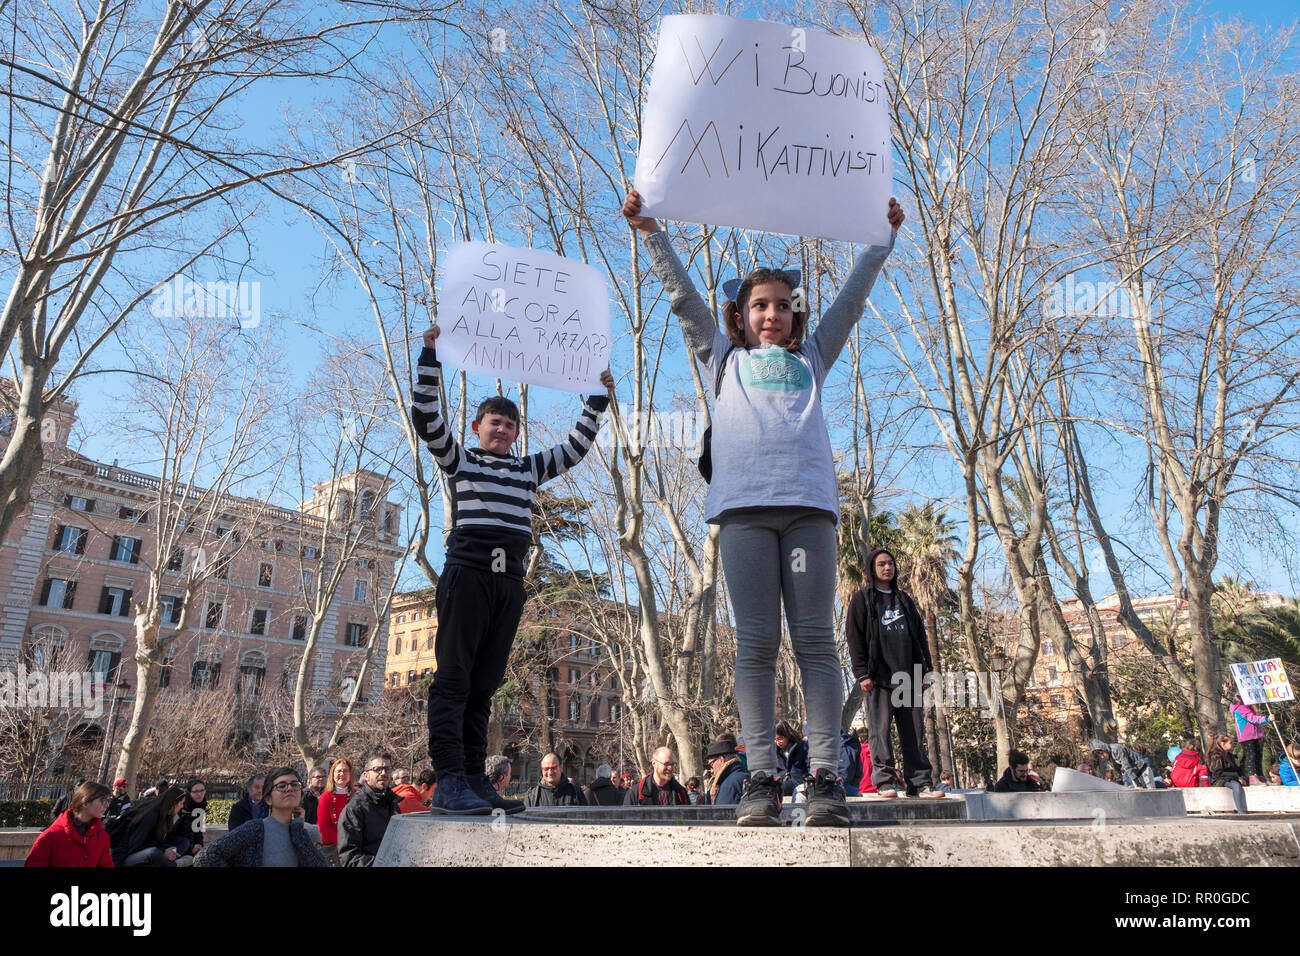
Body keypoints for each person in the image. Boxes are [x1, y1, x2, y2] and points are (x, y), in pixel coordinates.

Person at [623, 189, 904, 828]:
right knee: (753, 643)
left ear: (794, 313)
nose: (770, 314)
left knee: (811, 640)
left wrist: (881, 241)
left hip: (808, 512)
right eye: (758, 306)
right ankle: (760, 780)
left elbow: (853, 301)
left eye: (781, 305)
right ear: (740, 317)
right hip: (744, 512)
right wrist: (650, 231)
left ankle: (828, 776)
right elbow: (681, 299)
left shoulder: (813, 354)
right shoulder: (723, 360)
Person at [413, 325, 612, 815]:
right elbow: (426, 418)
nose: (501, 429)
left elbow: (574, 449)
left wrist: (596, 401)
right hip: (468, 576)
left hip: (509, 584)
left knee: (484, 685)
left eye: (508, 424)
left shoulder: (527, 470)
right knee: (454, 680)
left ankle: (476, 778)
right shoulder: (459, 460)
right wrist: (430, 355)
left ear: (517, 433)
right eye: (492, 422)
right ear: (478, 428)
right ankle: (450, 778)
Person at [846, 548, 946, 800]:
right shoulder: (862, 599)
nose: (887, 568)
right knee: (879, 733)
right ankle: (885, 782)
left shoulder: (904, 600)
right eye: (881, 564)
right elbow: (854, 637)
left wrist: (926, 672)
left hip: (908, 678)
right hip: (878, 678)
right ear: (872, 568)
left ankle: (920, 783)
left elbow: (920, 637)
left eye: (890, 563)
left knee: (913, 732)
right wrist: (861, 673)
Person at [195, 767, 327, 868]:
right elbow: (204, 857)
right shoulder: (255, 829)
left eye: (295, 784)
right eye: (281, 786)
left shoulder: (306, 831)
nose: (289, 789)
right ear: (268, 799)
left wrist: (298, 829)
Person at [338, 750, 403, 867]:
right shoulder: (354, 809)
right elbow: (349, 858)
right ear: (366, 776)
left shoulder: (393, 803)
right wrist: (384, 864)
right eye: (377, 769)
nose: (383, 773)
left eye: (387, 769)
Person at [26, 781, 113, 867]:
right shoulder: (51, 835)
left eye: (108, 801)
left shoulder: (102, 837)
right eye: (102, 800)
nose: (107, 805)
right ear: (85, 802)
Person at [120, 785, 189, 866]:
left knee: (184, 842)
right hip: (129, 857)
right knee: (153, 852)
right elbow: (134, 847)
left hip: (153, 851)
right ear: (173, 803)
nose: (182, 806)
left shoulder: (166, 816)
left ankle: (169, 860)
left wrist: (167, 850)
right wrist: (163, 851)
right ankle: (173, 864)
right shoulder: (151, 816)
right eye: (181, 803)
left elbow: (157, 841)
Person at [317, 757, 357, 865]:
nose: (342, 774)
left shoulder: (357, 795)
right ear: (333, 774)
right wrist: (344, 843)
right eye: (338, 771)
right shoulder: (325, 797)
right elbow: (323, 827)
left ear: (350, 775)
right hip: (332, 850)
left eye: (345, 771)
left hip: (355, 847)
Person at [625, 747, 690, 806]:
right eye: (666, 764)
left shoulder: (681, 793)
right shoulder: (635, 793)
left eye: (672, 764)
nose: (670, 768)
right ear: (654, 763)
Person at [1230, 695, 1270, 784]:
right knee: (1251, 756)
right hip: (1247, 736)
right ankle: (1253, 777)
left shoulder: (1247, 708)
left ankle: (1260, 776)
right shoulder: (1241, 708)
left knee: (1258, 756)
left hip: (1254, 736)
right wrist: (1267, 718)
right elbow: (1252, 719)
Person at [1206, 733, 1248, 814]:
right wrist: (1237, 778)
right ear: (1222, 744)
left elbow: (1238, 769)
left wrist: (1242, 777)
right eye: (1230, 743)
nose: (1232, 745)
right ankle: (1241, 812)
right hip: (1220, 780)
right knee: (1236, 785)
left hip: (1231, 778)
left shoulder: (1230, 755)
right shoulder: (1216, 756)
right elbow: (1218, 774)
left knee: (1244, 782)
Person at [1090, 738, 1155, 789]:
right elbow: (1117, 770)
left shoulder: (1117, 749)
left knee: (1150, 795)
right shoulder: (1109, 756)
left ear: (1104, 748)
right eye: (1100, 756)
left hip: (1143, 771)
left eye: (1102, 753)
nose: (1102, 756)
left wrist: (1138, 785)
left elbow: (1127, 766)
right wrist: (1119, 785)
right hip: (1135, 775)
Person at [706, 737, 750, 806]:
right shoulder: (745, 775)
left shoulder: (728, 785)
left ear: (721, 760)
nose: (712, 770)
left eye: (712, 764)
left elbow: (722, 814)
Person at [773, 720, 811, 797]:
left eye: (780, 738)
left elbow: (809, 765)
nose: (777, 742)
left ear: (787, 735)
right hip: (782, 782)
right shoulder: (775, 750)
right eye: (775, 739)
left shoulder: (802, 746)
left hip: (799, 782)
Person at [173, 778, 208, 857]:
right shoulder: (180, 807)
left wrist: (199, 846)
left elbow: (198, 831)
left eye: (202, 790)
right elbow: (171, 834)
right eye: (195, 791)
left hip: (194, 850)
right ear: (189, 792)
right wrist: (191, 847)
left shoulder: (202, 805)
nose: (200, 794)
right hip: (179, 849)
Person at [856, 728, 877, 795]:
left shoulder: (856, 751)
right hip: (877, 788)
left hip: (861, 789)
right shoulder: (877, 750)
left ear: (859, 738)